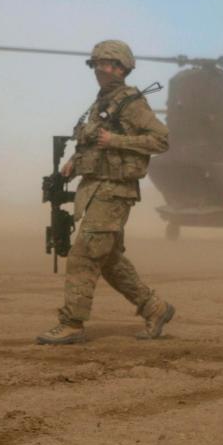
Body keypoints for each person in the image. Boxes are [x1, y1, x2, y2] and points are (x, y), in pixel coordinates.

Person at [37, 40, 176, 344]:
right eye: (97, 64)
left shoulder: (132, 102)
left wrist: (116, 141)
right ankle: (155, 308)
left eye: (109, 64)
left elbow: (161, 140)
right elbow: (92, 142)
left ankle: (72, 323)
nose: (102, 69)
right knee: (109, 260)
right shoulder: (102, 102)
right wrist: (75, 160)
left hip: (115, 191)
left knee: (83, 256)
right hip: (95, 187)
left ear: (123, 69)